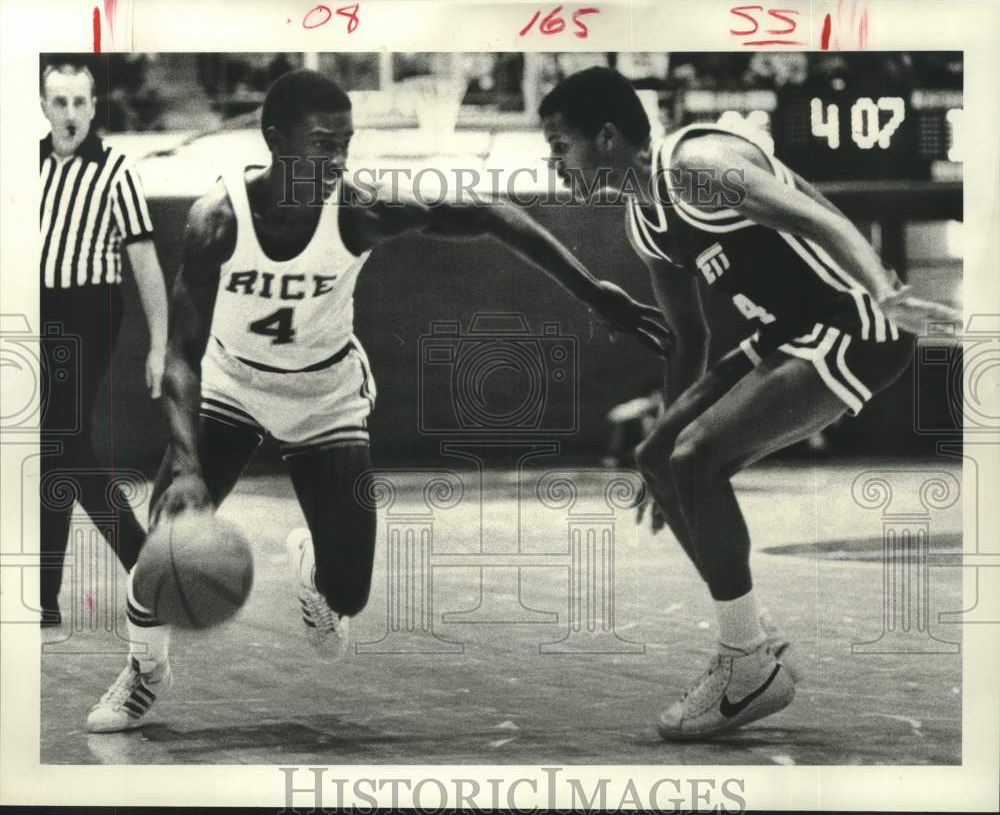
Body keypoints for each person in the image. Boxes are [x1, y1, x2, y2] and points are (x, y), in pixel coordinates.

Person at [85, 68, 671, 732]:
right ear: (275, 140)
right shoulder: (217, 219)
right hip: (233, 387)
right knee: (159, 545)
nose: (338, 159)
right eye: (323, 144)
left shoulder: (362, 209)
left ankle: (315, 571)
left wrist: (594, 290)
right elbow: (181, 355)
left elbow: (491, 214)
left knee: (350, 594)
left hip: (325, 395)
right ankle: (144, 672)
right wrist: (187, 466)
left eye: (346, 143)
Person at [538, 67, 959, 740]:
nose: (553, 162)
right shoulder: (644, 219)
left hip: (855, 325)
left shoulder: (697, 165)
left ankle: (745, 661)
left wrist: (885, 292)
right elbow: (689, 337)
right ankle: (755, 643)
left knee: (698, 458)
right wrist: (665, 441)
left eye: (560, 145)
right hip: (785, 334)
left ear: (609, 137)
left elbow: (817, 217)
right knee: (662, 458)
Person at [39, 60, 168, 627]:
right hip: (33, 311)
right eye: (59, 101)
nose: (70, 113)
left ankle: (141, 565)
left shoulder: (117, 171)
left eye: (79, 102)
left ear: (94, 107)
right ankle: (47, 596)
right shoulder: (24, 165)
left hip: (89, 311)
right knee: (56, 453)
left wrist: (158, 344)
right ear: (43, 106)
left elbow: (145, 262)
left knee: (61, 442)